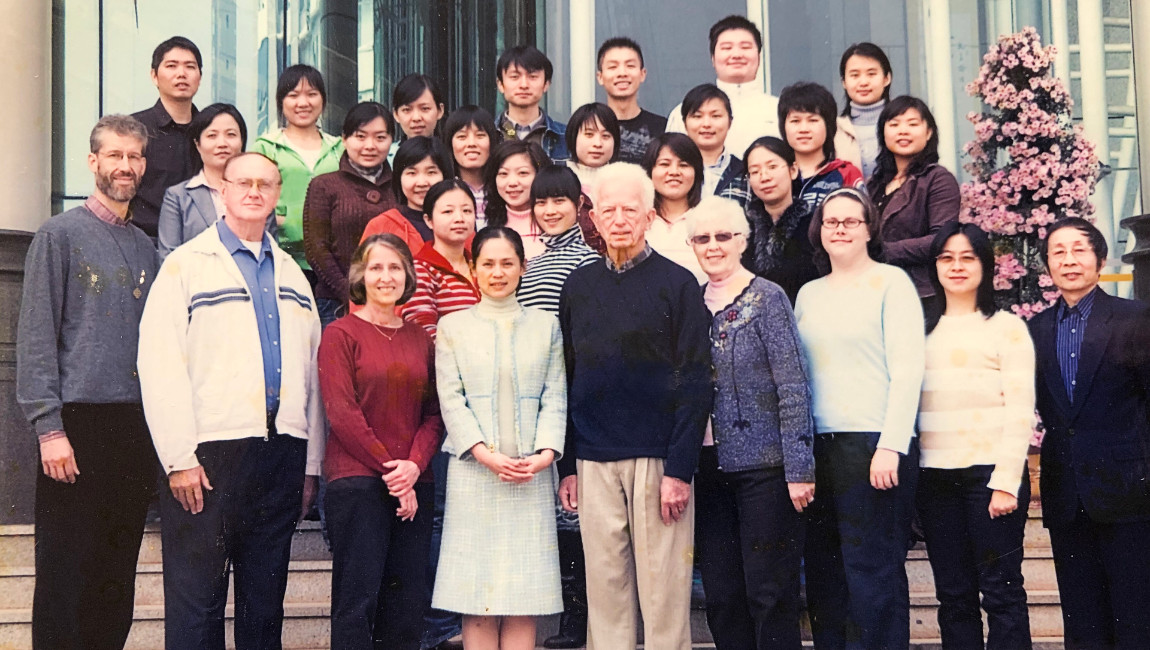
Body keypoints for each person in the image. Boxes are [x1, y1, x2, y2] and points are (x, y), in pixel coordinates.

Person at [137, 152, 324, 650]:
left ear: (276, 194)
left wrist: (310, 464)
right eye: (244, 183)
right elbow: (159, 365)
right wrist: (178, 458)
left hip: (279, 454)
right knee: (197, 605)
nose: (255, 192)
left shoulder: (292, 275)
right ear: (223, 190)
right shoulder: (185, 266)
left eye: (266, 184)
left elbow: (312, 376)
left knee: (265, 605)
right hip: (208, 456)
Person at [16, 114, 159, 650]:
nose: (125, 166)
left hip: (131, 427)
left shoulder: (146, 247)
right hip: (76, 426)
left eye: (134, 157)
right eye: (115, 155)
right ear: (93, 160)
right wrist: (48, 428)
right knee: (65, 573)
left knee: (115, 572)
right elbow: (36, 336)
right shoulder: (59, 235)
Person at [557, 162, 713, 650]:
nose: (619, 219)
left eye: (630, 209)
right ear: (594, 219)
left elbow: (695, 380)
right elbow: (568, 375)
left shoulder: (678, 283)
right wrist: (568, 464)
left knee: (664, 594)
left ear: (649, 217)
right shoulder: (578, 287)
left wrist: (680, 470)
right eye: (609, 210)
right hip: (593, 458)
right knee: (605, 591)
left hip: (659, 458)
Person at [794, 187, 924, 650]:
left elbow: (909, 368)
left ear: (870, 228)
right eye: (831, 222)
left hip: (874, 446)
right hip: (818, 449)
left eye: (851, 221)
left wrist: (891, 443)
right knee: (827, 572)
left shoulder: (892, 282)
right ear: (819, 232)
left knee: (873, 573)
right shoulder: (808, 293)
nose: (840, 229)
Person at [685, 195, 815, 650]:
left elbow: (794, 383)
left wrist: (800, 469)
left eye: (723, 236)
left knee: (769, 590)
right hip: (708, 467)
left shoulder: (768, 297)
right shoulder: (689, 302)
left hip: (767, 468)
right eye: (702, 238)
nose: (713, 246)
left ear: (742, 240)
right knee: (721, 594)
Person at [432, 226, 568, 650]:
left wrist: (546, 453)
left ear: (523, 267)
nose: (497, 272)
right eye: (487, 263)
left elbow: (555, 392)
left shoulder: (546, 326)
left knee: (522, 594)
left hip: (531, 474)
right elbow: (451, 399)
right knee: (478, 594)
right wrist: (483, 454)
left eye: (507, 262)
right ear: (473, 269)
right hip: (475, 474)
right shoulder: (452, 326)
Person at [318, 233, 443, 650]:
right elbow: (342, 412)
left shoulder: (420, 339)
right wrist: (395, 473)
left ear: (407, 276)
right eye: (376, 267)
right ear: (360, 276)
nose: (385, 276)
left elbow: (433, 414)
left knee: (406, 606)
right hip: (358, 482)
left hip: (414, 483)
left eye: (394, 268)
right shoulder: (340, 334)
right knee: (358, 603)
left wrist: (413, 468)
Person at [1029, 218, 1150, 648]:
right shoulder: (1036, 330)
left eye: (1079, 249)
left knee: (1136, 618)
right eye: (1058, 252)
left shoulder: (1135, 318)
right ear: (1048, 266)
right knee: (1082, 622)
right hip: (1066, 497)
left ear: (1100, 259)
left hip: (1130, 493)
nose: (1069, 260)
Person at [917, 221, 1035, 650]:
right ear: (935, 267)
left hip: (990, 479)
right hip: (935, 479)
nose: (957, 266)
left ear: (985, 265)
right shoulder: (920, 326)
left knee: (1001, 592)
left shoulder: (1005, 327)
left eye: (968, 257)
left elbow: (1021, 409)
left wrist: (1005, 482)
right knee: (954, 596)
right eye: (947, 258)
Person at [516, 166, 601, 649]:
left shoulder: (585, 260)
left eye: (559, 201)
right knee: (561, 508)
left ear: (578, 205)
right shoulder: (539, 259)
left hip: (570, 392)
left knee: (573, 509)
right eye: (541, 203)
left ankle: (580, 621)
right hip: (541, 394)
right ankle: (573, 615)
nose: (550, 210)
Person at [302, 101, 398, 326]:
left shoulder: (400, 187)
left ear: (391, 140)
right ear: (344, 139)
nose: (370, 145)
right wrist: (352, 294)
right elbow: (316, 250)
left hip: (393, 303)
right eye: (360, 136)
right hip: (335, 304)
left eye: (380, 137)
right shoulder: (324, 185)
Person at [866, 96, 960, 307]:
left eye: (913, 124)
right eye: (894, 124)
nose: (903, 131)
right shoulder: (873, 184)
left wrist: (882, 251)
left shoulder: (937, 178)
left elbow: (942, 239)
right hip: (876, 290)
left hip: (922, 293)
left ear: (928, 133)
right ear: (883, 133)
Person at [253, 64, 345, 274]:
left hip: (332, 260)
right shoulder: (267, 147)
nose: (303, 103)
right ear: (281, 101)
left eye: (311, 94)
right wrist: (279, 220)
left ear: (323, 100)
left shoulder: (339, 147)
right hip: (281, 256)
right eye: (293, 95)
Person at [159, 103, 266, 259]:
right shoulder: (177, 197)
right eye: (212, 135)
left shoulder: (259, 194)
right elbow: (168, 259)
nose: (222, 143)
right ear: (197, 144)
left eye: (231, 134)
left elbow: (268, 253)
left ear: (242, 141)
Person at [666, 15, 779, 158]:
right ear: (713, 58)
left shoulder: (779, 110)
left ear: (759, 55)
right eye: (727, 48)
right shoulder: (685, 112)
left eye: (745, 47)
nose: (736, 55)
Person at [130, 36, 202, 238]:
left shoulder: (210, 130)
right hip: (147, 243)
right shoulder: (135, 128)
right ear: (154, 76)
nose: (181, 74)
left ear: (200, 77)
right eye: (171, 66)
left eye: (190, 67)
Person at [741, 137, 818, 304]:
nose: (764, 177)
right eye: (755, 171)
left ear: (793, 170)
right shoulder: (741, 227)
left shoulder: (816, 224)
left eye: (772, 167)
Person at [401, 179, 481, 338]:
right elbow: (422, 331)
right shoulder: (421, 269)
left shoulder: (481, 265)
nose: (459, 218)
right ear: (428, 220)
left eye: (467, 211)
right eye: (448, 212)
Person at [778, 82, 864, 213]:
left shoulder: (847, 174)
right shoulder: (775, 175)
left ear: (828, 125)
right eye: (795, 121)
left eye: (813, 120)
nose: (803, 129)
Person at [360, 136, 453, 256]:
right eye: (412, 173)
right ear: (399, 178)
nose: (421, 183)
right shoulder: (381, 225)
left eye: (431, 172)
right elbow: (363, 271)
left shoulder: (458, 221)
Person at [640, 132, 707, 282]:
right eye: (664, 164)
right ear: (649, 171)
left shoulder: (711, 219)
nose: (674, 172)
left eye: (684, 165)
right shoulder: (636, 220)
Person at [595, 37, 666, 164]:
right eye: (613, 67)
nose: (622, 73)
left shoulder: (663, 128)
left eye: (630, 66)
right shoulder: (589, 129)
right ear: (600, 77)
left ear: (642, 74)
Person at [680, 84, 751, 207]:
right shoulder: (671, 171)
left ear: (730, 122)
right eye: (697, 116)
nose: (706, 124)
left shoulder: (745, 172)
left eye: (716, 116)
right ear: (685, 123)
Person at [496, 45, 569, 163]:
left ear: (546, 84)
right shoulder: (487, 136)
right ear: (500, 84)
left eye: (533, 77)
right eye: (515, 77)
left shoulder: (566, 137)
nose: (524, 85)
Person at [484, 139, 552, 260]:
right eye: (503, 174)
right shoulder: (487, 229)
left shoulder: (556, 224)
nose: (512, 183)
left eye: (522, 173)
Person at [839, 42, 893, 180]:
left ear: (887, 78)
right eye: (855, 75)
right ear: (844, 82)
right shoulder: (834, 130)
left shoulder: (902, 125)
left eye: (871, 74)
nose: (863, 82)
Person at [444, 105, 497, 215]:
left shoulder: (503, 189)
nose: (471, 144)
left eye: (480, 135)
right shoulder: (443, 190)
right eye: (462, 137)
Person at [390, 74, 447, 164]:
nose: (416, 118)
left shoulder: (453, 155)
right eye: (407, 110)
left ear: (440, 110)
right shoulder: (386, 159)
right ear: (396, 114)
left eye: (425, 109)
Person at [565, 102, 621, 192]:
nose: (598, 144)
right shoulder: (557, 178)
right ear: (573, 137)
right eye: (589, 134)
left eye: (605, 136)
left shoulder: (625, 182)